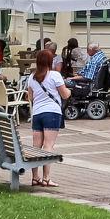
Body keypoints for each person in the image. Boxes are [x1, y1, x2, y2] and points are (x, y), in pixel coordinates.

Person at [23, 48, 65, 186]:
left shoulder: (32, 77)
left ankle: (35, 177)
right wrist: (70, 91)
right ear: (50, 61)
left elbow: (30, 97)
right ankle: (46, 177)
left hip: (37, 113)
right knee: (48, 145)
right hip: (52, 113)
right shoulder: (54, 75)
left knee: (36, 146)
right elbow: (64, 94)